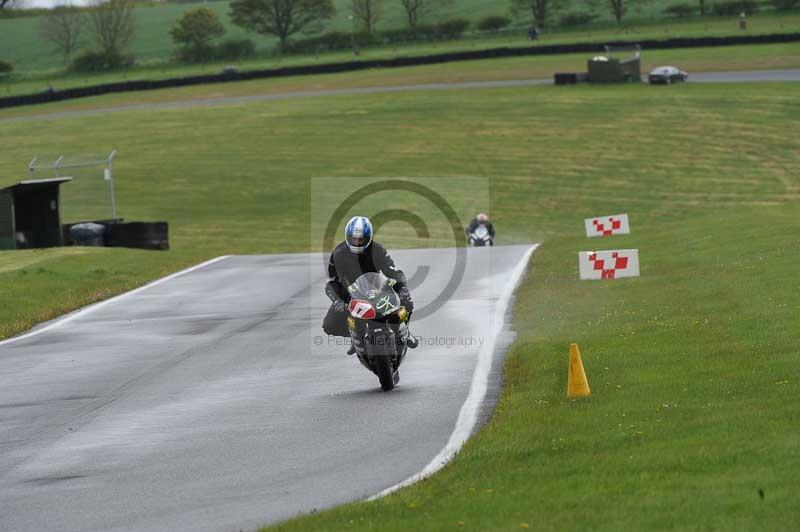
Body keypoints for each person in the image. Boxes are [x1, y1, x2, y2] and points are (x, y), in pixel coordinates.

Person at [322, 216, 418, 354]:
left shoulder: (378, 250)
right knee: (329, 325)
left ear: (369, 237)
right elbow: (333, 281)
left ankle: (404, 331)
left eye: (361, 239)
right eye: (354, 239)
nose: (357, 242)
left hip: (379, 291)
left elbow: (392, 271)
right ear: (348, 237)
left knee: (406, 302)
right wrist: (338, 300)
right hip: (351, 295)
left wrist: (402, 288)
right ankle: (357, 337)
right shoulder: (338, 254)